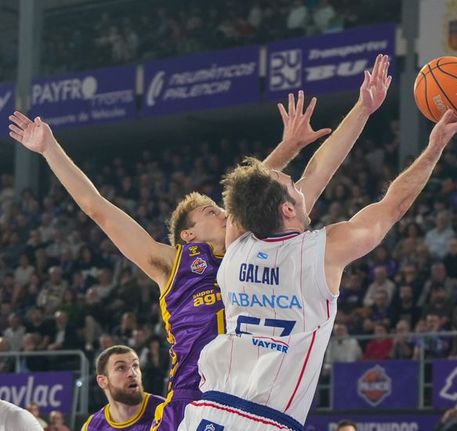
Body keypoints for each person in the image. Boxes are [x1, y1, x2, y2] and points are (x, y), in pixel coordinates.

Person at [9, 53, 392, 431]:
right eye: (210, 212)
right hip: (189, 407)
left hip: (248, 405)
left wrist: (360, 110)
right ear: (188, 236)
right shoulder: (171, 266)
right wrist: (49, 150)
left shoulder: (255, 249)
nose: (223, 213)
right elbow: (99, 209)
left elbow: (309, 177)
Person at [177, 106, 457, 429]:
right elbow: (393, 206)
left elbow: (299, 179)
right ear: (288, 208)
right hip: (265, 419)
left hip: (205, 413)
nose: (301, 187)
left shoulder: (234, 252)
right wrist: (433, 149)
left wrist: (363, 108)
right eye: (293, 186)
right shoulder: (322, 253)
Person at [81, 345, 165, 430]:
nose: (132, 373)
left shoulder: (166, 412)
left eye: (135, 366)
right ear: (102, 381)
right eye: (121, 368)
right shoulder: (92, 426)